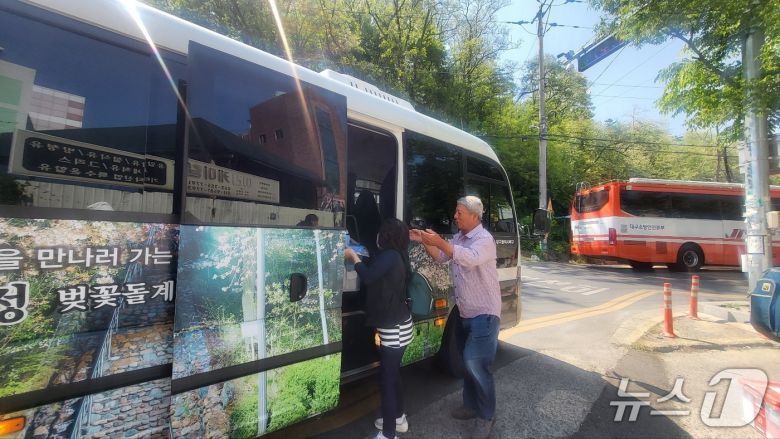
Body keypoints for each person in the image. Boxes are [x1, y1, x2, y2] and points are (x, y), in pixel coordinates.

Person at [410, 196, 500, 439]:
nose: (455, 215)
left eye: (459, 212)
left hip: (485, 312)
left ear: (474, 215)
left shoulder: (484, 240)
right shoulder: (459, 238)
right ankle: (471, 406)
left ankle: (486, 415)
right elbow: (441, 257)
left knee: (475, 363)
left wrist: (439, 240)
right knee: (467, 362)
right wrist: (425, 242)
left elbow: (467, 258)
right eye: (456, 211)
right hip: (464, 312)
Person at [345, 218, 413, 439]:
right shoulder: (398, 254)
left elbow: (368, 276)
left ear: (385, 236)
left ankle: (389, 434)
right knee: (392, 376)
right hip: (399, 325)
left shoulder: (390, 256)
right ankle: (398, 418)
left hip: (395, 329)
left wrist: (354, 257)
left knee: (387, 379)